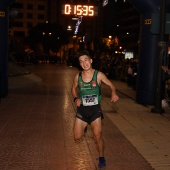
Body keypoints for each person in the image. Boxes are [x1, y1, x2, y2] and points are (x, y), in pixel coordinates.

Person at [71, 50, 119, 168]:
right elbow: (73, 89)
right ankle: (85, 125)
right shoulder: (78, 76)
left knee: (97, 137)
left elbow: (112, 85)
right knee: (77, 136)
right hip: (82, 110)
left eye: (86, 60)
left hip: (95, 110)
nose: (84, 63)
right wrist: (76, 98)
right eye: (81, 62)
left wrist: (113, 93)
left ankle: (101, 157)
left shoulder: (99, 75)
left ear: (91, 61)